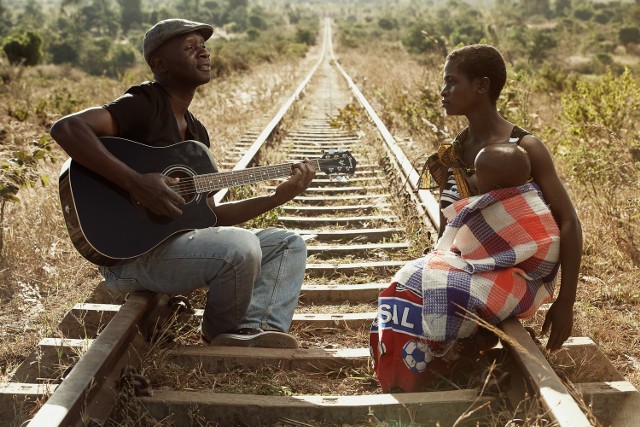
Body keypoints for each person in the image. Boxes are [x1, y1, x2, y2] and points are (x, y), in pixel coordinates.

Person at [50, 18, 316, 348]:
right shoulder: (144, 104)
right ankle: (220, 333)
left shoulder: (196, 136)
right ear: (159, 64)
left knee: (288, 243)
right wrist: (136, 183)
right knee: (240, 246)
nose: (203, 53)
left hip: (180, 248)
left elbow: (211, 217)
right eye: (190, 48)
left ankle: (255, 329)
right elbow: (67, 129)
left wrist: (279, 196)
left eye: (204, 47)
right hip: (131, 256)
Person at [369, 44, 582, 392]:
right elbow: (446, 229)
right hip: (465, 266)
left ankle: (441, 362)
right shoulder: (451, 153)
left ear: (482, 86)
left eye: (452, 82)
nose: (443, 91)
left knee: (434, 293)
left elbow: (568, 220)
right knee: (406, 286)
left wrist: (566, 302)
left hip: (512, 271)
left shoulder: (524, 148)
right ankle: (412, 366)